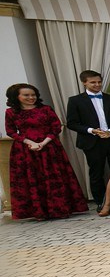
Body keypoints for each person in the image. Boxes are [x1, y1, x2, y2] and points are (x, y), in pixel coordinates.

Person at [4, 83, 88, 221]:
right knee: (33, 178)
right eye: (26, 95)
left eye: (33, 95)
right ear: (17, 97)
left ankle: (59, 209)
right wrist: (29, 142)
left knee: (54, 176)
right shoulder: (11, 112)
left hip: (49, 148)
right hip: (26, 150)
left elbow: (56, 127)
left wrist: (44, 142)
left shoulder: (46, 109)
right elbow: (11, 131)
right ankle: (39, 212)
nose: (31, 97)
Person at [65, 69, 110, 207]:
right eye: (93, 82)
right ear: (84, 83)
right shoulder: (75, 101)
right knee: (96, 173)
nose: (97, 85)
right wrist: (92, 130)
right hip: (92, 142)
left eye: (99, 82)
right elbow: (72, 123)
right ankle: (101, 202)